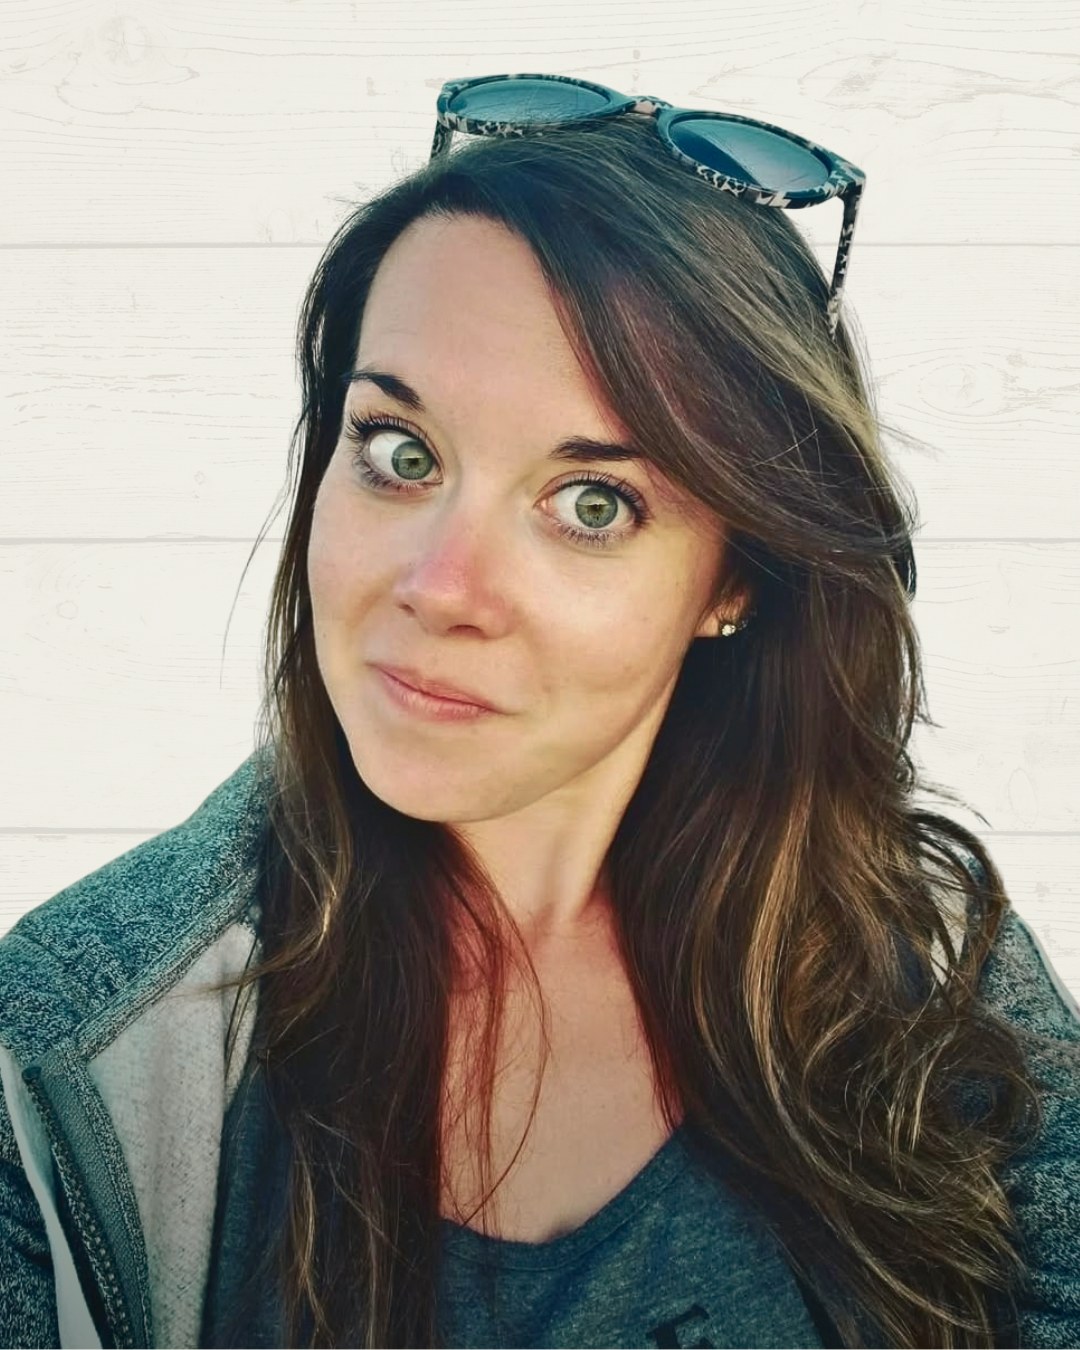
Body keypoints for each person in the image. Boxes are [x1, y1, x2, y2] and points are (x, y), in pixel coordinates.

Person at [1, 74, 1078, 1350]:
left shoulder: (927, 965)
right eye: (402, 453)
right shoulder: (76, 1052)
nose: (441, 588)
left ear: (734, 576)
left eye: (592, 505)